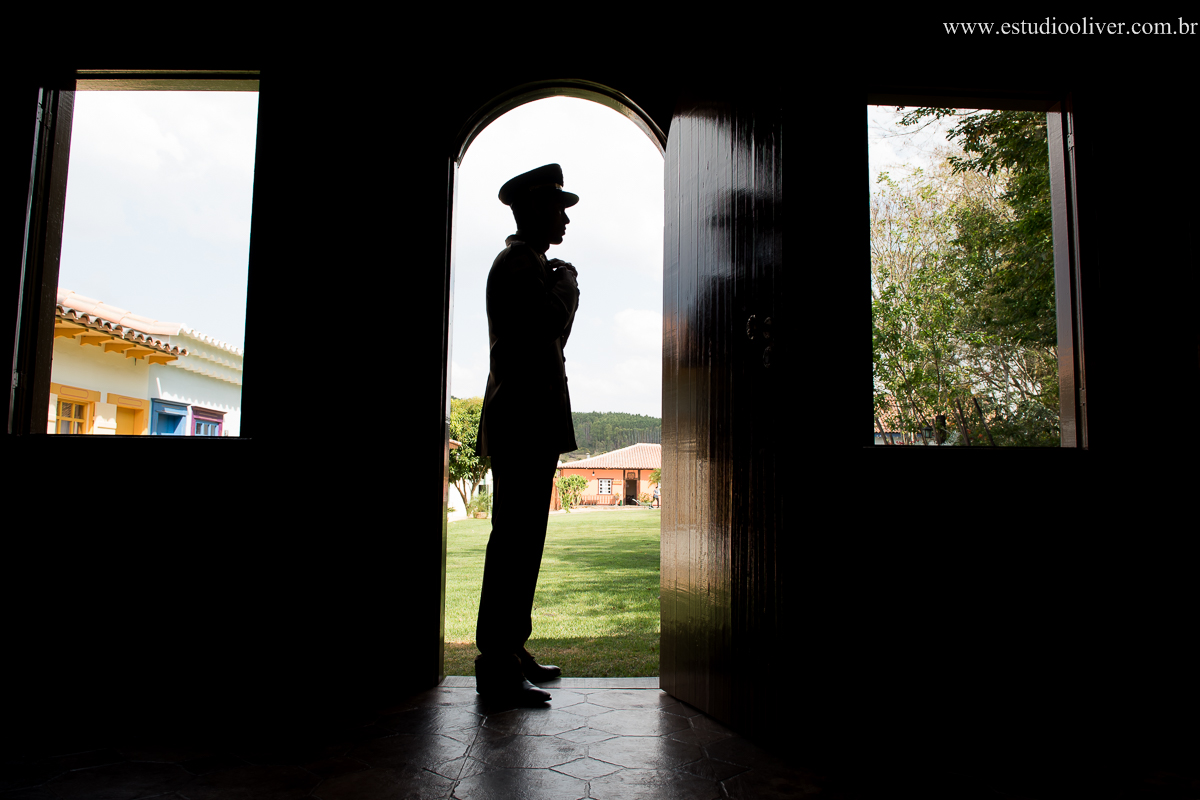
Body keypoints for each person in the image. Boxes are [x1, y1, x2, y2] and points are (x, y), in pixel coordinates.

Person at [474, 164, 580, 705]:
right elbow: (544, 332)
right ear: (534, 210)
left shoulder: (528, 262)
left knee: (522, 543)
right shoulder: (521, 264)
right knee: (515, 543)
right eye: (557, 207)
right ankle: (497, 664)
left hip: (525, 422)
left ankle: (510, 650)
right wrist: (567, 286)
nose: (564, 217)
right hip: (522, 423)